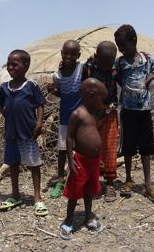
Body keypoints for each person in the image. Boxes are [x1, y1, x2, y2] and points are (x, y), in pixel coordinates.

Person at [114, 24, 154, 204]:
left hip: (144, 111)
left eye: (123, 45)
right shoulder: (120, 62)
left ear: (134, 41)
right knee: (128, 147)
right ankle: (129, 179)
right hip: (127, 111)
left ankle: (147, 184)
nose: (121, 49)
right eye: (118, 46)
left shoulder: (147, 59)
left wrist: (152, 77)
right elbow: (115, 77)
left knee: (146, 149)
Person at [0, 49, 48, 216]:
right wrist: (7, 115)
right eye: (8, 64)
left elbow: (40, 104)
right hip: (11, 133)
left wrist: (39, 123)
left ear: (25, 66)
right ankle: (15, 195)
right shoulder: (4, 87)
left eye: (14, 64)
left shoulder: (31, 86)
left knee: (33, 165)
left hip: (28, 133)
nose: (10, 67)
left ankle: (37, 197)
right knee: (13, 164)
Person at [60, 78, 108, 240]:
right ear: (92, 95)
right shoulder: (77, 114)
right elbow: (69, 138)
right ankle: (68, 221)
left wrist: (99, 157)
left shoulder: (93, 114)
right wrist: (70, 158)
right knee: (75, 191)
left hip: (93, 162)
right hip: (80, 160)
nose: (102, 102)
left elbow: (93, 135)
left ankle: (88, 217)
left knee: (89, 191)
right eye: (101, 98)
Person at [82, 41, 119, 202]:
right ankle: (94, 182)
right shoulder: (88, 67)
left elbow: (115, 93)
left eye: (109, 63)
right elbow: (83, 89)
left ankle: (110, 183)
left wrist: (107, 110)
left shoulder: (115, 68)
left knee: (109, 148)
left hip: (109, 110)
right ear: (96, 57)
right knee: (92, 148)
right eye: (103, 63)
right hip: (91, 112)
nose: (106, 67)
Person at [47, 40, 83, 198]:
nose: (68, 56)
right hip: (65, 117)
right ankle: (61, 178)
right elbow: (62, 94)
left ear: (78, 55)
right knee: (62, 149)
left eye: (72, 53)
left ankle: (80, 178)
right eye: (65, 53)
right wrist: (53, 91)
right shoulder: (57, 75)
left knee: (81, 148)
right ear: (61, 53)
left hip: (82, 117)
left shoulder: (82, 69)